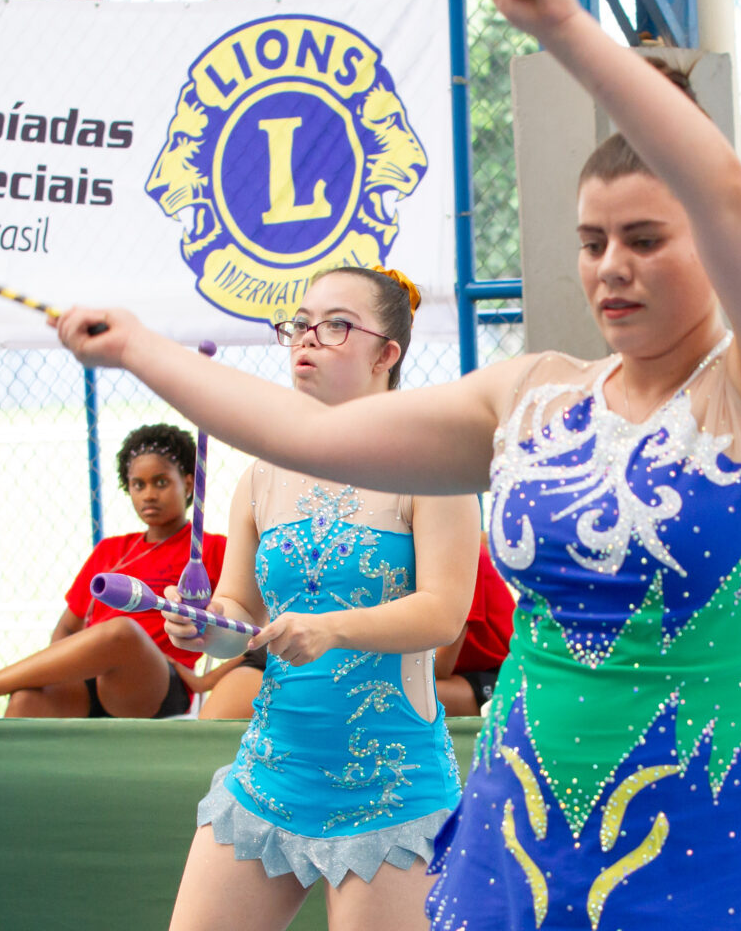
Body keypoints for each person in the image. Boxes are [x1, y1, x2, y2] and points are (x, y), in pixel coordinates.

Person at [53, 0, 741, 925]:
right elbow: (305, 435)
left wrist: (568, 33)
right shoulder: (530, 397)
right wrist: (137, 347)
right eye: (594, 239)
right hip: (519, 833)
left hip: (719, 830)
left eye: (647, 238)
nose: (612, 266)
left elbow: (729, 194)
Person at [161, 266, 480, 931]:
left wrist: (332, 629)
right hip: (270, 775)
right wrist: (204, 626)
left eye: (334, 326)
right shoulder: (260, 475)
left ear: (385, 355)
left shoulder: (434, 467)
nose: (306, 339)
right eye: (299, 325)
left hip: (392, 791)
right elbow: (239, 613)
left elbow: (443, 612)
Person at [0, 423, 226, 719]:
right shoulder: (111, 550)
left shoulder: (210, 550)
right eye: (138, 484)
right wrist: (55, 675)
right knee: (27, 700)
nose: (148, 494)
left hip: (151, 685)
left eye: (161, 482)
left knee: (122, 632)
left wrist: (205, 682)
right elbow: (67, 629)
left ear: (188, 484)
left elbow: (253, 628)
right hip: (90, 683)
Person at [192, 534, 511, 721]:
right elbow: (259, 633)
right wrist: (209, 674)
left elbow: (440, 664)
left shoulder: (458, 553)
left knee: (369, 692)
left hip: (473, 675)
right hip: (345, 653)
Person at [433, 535, 513, 718]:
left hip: (502, 674)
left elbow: (440, 668)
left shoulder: (461, 554)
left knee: (404, 696)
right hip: (461, 672)